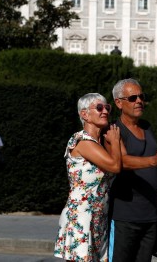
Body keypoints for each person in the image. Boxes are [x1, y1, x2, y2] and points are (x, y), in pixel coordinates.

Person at [107, 78, 157, 262]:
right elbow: (122, 161)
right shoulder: (114, 130)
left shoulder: (147, 127)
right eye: (133, 97)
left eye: (141, 97)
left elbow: (152, 174)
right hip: (124, 216)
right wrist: (153, 160)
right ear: (119, 103)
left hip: (150, 215)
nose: (139, 101)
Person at [54, 93, 122, 261]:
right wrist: (115, 141)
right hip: (82, 216)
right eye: (99, 108)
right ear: (84, 114)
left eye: (107, 107)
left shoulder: (98, 144)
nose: (105, 111)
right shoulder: (82, 141)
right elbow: (115, 166)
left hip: (98, 217)